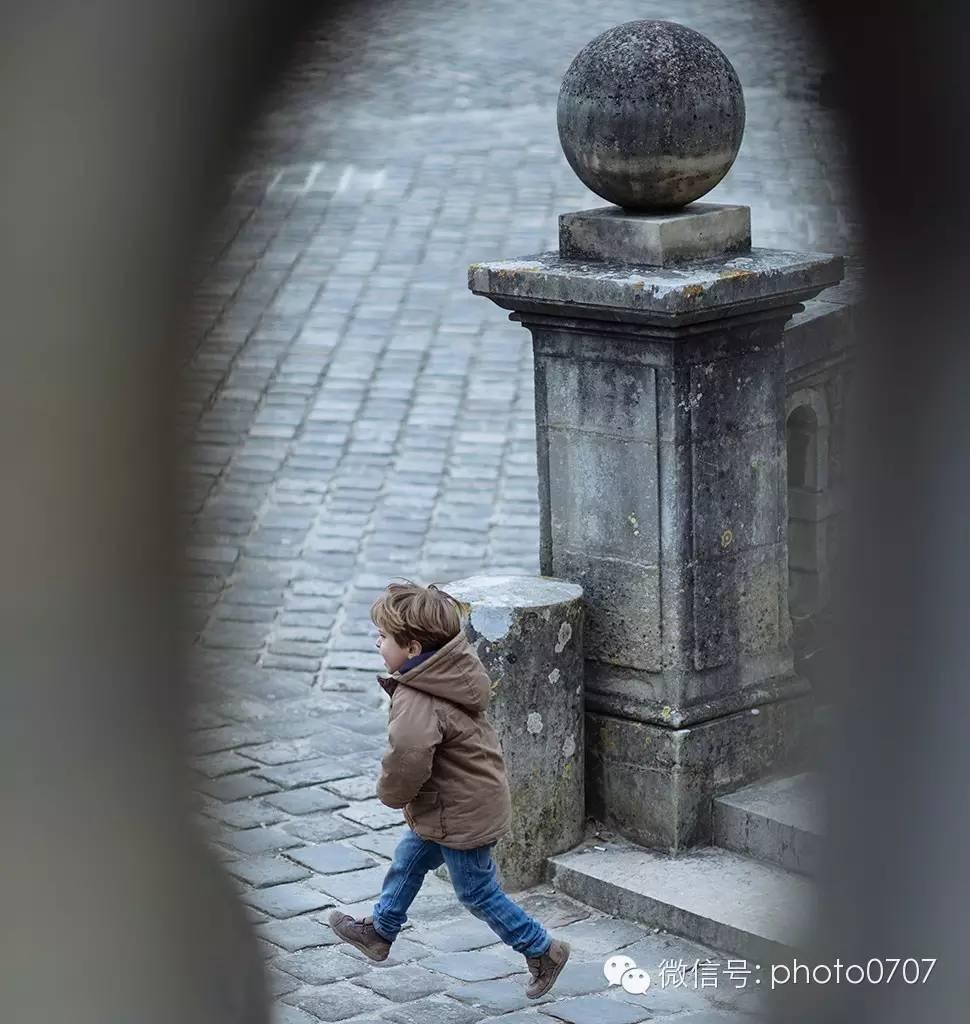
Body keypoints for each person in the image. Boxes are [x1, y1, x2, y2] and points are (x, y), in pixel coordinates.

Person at [328, 581, 571, 999]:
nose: (377, 644)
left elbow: (408, 755)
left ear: (413, 647)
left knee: (477, 893)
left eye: (383, 638)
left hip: (460, 814)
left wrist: (392, 793)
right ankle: (381, 932)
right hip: (454, 805)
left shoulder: (418, 697)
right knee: (408, 860)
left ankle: (542, 949)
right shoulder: (450, 672)